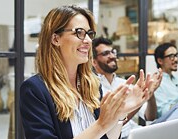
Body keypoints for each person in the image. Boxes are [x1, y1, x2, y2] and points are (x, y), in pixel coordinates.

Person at [19, 5, 153, 139]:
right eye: (79, 32)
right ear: (55, 39)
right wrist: (101, 124)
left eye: (89, 34)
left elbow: (106, 137)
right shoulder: (34, 90)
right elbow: (100, 128)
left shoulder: (92, 83)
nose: (88, 41)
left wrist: (120, 113)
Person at [92, 37, 162, 139]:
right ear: (94, 62)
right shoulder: (94, 88)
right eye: (105, 53)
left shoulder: (125, 83)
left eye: (113, 52)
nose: (112, 56)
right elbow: (111, 125)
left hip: (136, 132)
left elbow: (150, 117)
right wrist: (140, 100)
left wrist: (150, 94)